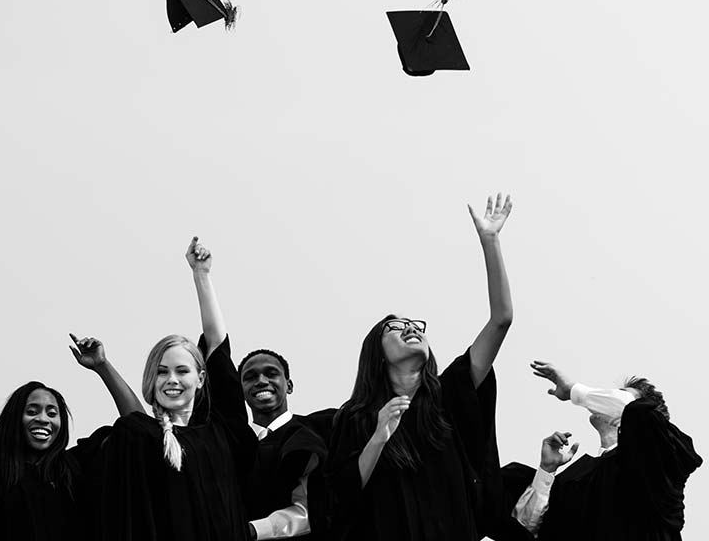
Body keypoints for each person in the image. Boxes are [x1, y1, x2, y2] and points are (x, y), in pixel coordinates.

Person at [325, 193, 516, 541]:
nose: (411, 328)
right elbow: (343, 496)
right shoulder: (356, 417)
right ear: (377, 355)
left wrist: (491, 241)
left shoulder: (452, 394)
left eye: (415, 324)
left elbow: (501, 320)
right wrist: (378, 437)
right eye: (395, 328)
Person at [68, 236, 258, 541]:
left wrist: (202, 276)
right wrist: (104, 367)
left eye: (182, 371)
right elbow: (136, 422)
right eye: (162, 372)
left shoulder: (223, 430)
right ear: (151, 380)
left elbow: (217, 344)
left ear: (200, 378)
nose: (172, 379)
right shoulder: (144, 437)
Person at [187, 237, 330, 539]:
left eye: (271, 374)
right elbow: (216, 347)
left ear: (288, 385)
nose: (261, 381)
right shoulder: (231, 440)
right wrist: (201, 275)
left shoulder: (314, 432)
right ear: (240, 390)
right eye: (250, 377)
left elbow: (310, 510)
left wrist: (252, 531)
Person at [503, 362, 702, 540]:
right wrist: (546, 472)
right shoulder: (578, 477)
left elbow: (636, 413)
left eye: (618, 395)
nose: (602, 402)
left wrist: (574, 390)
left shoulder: (659, 463)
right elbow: (524, 529)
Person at [0, 381, 82, 541]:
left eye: (52, 414)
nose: (42, 419)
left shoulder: (74, 469)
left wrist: (101, 366)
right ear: (15, 419)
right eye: (32, 412)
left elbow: (127, 429)